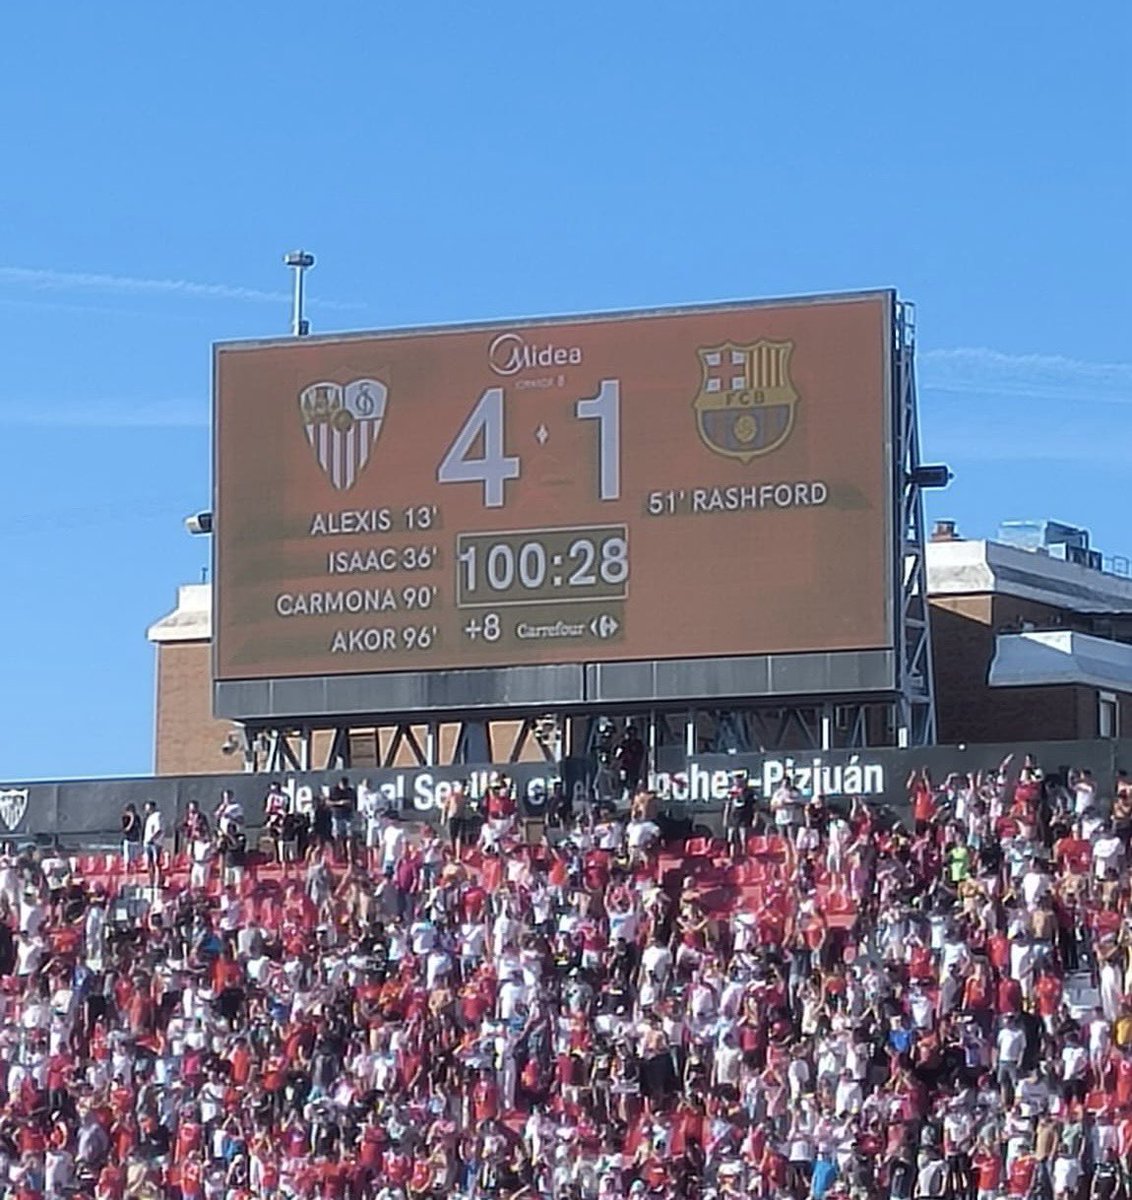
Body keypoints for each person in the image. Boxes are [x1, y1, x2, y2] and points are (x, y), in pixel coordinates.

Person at [142, 800, 164, 887]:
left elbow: (159, 829)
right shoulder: (149, 818)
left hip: (155, 843)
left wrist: (153, 838)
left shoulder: (158, 816)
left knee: (156, 862)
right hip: (147, 843)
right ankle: (151, 881)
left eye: (148, 807)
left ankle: (158, 882)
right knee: (149, 863)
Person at [121, 802, 142, 871]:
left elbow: (139, 828)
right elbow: (127, 829)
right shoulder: (125, 818)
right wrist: (131, 819)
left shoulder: (137, 818)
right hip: (128, 839)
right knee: (127, 857)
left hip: (135, 839)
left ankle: (134, 871)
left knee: (134, 858)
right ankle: (127, 869)